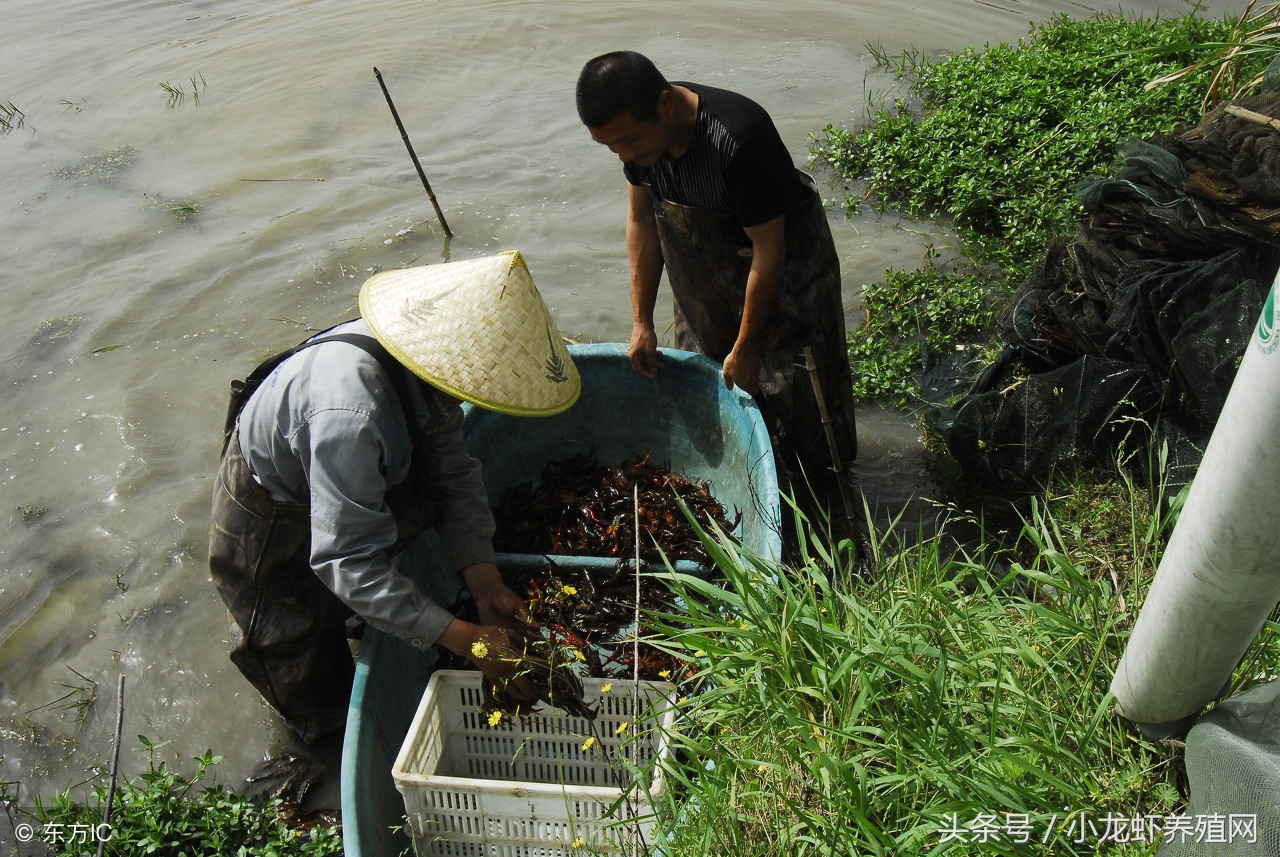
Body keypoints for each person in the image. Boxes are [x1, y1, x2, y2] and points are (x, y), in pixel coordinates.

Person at [208, 251, 580, 742]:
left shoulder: (428, 365)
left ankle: (373, 621)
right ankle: (316, 753)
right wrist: (470, 641)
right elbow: (345, 559)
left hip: (342, 468)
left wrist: (487, 589)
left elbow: (454, 474)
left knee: (375, 568)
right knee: (298, 666)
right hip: (272, 513)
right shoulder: (351, 414)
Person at [575, 51, 858, 538]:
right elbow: (642, 220)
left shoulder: (740, 140)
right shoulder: (641, 146)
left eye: (627, 140)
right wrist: (641, 321)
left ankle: (834, 526)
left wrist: (747, 348)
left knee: (809, 412)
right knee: (714, 397)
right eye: (608, 146)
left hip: (789, 277)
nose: (622, 154)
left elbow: (769, 255)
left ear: (665, 105)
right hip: (706, 277)